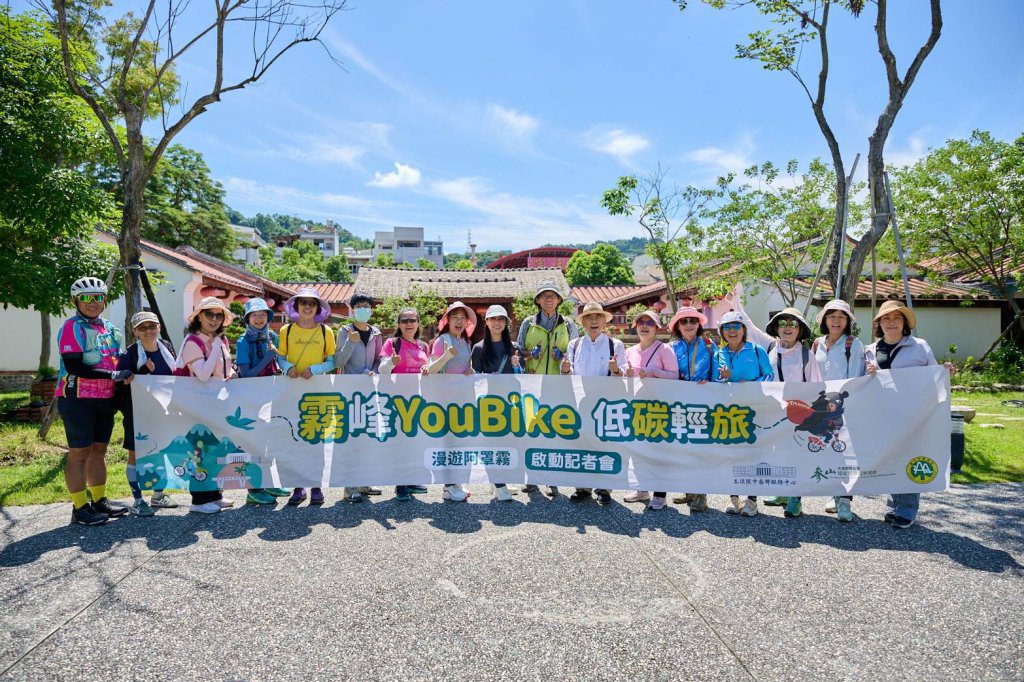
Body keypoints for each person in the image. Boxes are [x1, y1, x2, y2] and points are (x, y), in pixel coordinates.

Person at [865, 300, 954, 529]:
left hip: (912, 415)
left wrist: (945, 372)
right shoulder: (870, 350)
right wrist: (870, 375)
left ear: (904, 323)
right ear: (879, 324)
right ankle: (895, 505)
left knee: (908, 457)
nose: (891, 322)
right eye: (886, 318)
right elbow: (862, 384)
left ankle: (907, 510)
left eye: (897, 318)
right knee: (891, 457)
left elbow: (934, 375)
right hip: (882, 415)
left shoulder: (919, 346)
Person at [56, 276, 131, 526]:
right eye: (86, 298)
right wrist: (112, 374)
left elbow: (117, 360)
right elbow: (74, 365)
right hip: (77, 398)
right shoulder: (71, 327)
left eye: (98, 297)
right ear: (76, 300)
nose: (93, 302)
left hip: (104, 398)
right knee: (79, 453)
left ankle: (99, 501)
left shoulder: (109, 327)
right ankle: (79, 507)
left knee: (99, 451)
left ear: (104, 300)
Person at [561, 302, 627, 506]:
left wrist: (616, 369)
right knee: (582, 443)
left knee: (604, 444)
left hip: (605, 403)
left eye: (597, 317)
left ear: (604, 321)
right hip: (582, 402)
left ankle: (604, 488)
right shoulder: (575, 344)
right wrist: (564, 369)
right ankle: (583, 487)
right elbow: (568, 374)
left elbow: (621, 375)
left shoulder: (615, 345)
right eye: (589, 317)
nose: (594, 321)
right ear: (583, 323)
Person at [176, 296, 237, 514]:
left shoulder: (219, 340)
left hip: (215, 404)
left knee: (214, 448)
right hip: (197, 406)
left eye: (219, 315)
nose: (214, 319)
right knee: (199, 451)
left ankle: (214, 494)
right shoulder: (193, 342)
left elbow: (223, 370)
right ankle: (199, 500)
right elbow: (202, 375)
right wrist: (216, 348)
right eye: (209, 314)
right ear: (199, 316)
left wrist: (231, 374)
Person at [517, 281, 578, 496]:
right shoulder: (528, 323)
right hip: (533, 383)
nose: (549, 299)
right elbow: (519, 351)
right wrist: (529, 355)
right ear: (538, 301)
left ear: (559, 300)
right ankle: (531, 477)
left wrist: (563, 357)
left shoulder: (568, 324)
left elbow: (575, 352)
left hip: (558, 384)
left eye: (553, 296)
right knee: (532, 428)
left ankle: (552, 478)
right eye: (545, 296)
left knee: (553, 429)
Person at [761, 307, 822, 519]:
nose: (787, 328)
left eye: (793, 324)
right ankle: (783, 493)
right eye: (783, 323)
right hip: (775, 412)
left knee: (796, 455)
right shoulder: (771, 349)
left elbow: (815, 385)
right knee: (778, 453)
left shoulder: (807, 355)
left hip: (799, 413)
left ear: (800, 329)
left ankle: (796, 498)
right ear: (776, 328)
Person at [278, 287, 337, 506]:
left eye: (312, 303)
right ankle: (297, 486)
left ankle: (316, 486)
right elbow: (280, 359)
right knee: (294, 439)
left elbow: (332, 362)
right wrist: (287, 367)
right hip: (292, 392)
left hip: (317, 394)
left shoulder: (326, 332)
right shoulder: (286, 330)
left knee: (317, 441)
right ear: (296, 306)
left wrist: (315, 369)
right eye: (303, 302)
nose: (307, 307)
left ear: (318, 308)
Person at [118, 311, 179, 516]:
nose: (148, 331)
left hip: (164, 412)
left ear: (159, 327)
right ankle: (137, 500)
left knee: (160, 451)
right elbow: (122, 383)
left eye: (152, 326)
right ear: (135, 331)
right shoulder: (129, 354)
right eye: (142, 328)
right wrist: (143, 372)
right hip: (137, 414)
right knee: (136, 455)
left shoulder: (167, 348)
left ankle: (158, 495)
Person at [812, 299, 866, 522]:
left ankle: (844, 500)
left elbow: (856, 377)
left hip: (843, 407)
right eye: (831, 316)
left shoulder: (853, 344)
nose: (836, 321)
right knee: (826, 450)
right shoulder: (817, 343)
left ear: (847, 321)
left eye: (841, 317)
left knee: (845, 453)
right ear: (825, 320)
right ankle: (834, 495)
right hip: (821, 408)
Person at [716, 310, 774, 516]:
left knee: (753, 455)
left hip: (754, 412)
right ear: (722, 332)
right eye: (727, 327)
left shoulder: (757, 351)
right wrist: (722, 378)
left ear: (744, 329)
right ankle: (733, 499)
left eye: (736, 326)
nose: (732, 331)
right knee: (731, 456)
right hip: (729, 413)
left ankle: (751, 501)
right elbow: (715, 384)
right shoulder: (718, 353)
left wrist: (750, 385)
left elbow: (769, 375)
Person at [621, 310, 679, 510]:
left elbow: (675, 377)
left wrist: (654, 372)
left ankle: (660, 494)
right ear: (635, 327)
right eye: (641, 322)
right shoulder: (629, 351)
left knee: (657, 452)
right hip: (636, 407)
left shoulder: (664, 349)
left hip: (658, 409)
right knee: (639, 451)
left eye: (650, 323)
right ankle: (642, 489)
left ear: (657, 328)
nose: (644, 326)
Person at [234, 298, 290, 505]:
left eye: (263, 314)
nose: (259, 318)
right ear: (248, 318)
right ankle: (254, 489)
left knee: (269, 440)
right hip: (250, 399)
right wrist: (268, 357)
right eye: (254, 315)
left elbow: (277, 363)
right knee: (253, 443)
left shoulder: (272, 336)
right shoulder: (242, 341)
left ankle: (270, 482)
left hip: (270, 396)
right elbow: (246, 374)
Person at [379, 307, 437, 501]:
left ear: (418, 323)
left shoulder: (423, 346)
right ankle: (401, 485)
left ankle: (411, 479)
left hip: (417, 400)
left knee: (413, 440)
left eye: (412, 320)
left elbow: (426, 369)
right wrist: (391, 362)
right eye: (404, 321)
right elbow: (382, 370)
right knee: (400, 443)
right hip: (397, 401)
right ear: (398, 324)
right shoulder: (392, 343)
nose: (409, 324)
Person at [667, 306, 720, 513]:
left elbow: (716, 374)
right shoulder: (671, 348)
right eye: (684, 321)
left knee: (699, 449)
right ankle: (689, 489)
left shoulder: (709, 345)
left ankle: (701, 495)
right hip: (678, 404)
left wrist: (711, 383)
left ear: (699, 324)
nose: (688, 325)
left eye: (692, 321)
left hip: (702, 404)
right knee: (683, 448)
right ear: (677, 326)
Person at [334, 292, 385, 502]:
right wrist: (351, 342)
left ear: (371, 310)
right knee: (350, 440)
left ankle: (363, 483)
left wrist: (374, 370)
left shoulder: (376, 333)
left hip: (369, 392)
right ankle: (349, 487)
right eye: (359, 306)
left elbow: (378, 359)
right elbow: (339, 361)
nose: (363, 309)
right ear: (352, 310)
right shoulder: (345, 331)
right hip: (349, 393)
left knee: (367, 438)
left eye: (367, 306)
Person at [471, 305, 523, 502]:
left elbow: (523, 377)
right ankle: (499, 485)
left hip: (511, 403)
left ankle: (500, 481)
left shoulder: (514, 347)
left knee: (507, 442)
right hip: (489, 404)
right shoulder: (479, 348)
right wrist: (486, 377)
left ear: (506, 323)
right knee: (492, 442)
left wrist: (517, 366)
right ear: (487, 322)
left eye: (501, 319)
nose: (497, 322)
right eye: (493, 319)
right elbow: (473, 378)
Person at [429, 301, 478, 502]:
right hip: (445, 400)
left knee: (459, 442)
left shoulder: (466, 343)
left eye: (462, 318)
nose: (459, 321)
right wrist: (446, 356)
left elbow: (464, 368)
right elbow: (430, 369)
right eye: (455, 317)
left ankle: (455, 483)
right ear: (447, 320)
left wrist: (470, 371)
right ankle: (449, 486)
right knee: (449, 443)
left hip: (462, 400)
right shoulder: (443, 341)